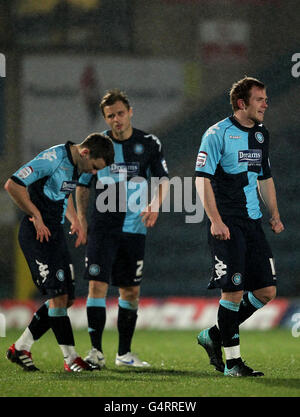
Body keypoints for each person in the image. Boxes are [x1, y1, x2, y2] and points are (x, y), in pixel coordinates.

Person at [195, 77, 284, 377]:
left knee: (266, 291)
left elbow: (264, 176)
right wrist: (216, 220)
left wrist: (274, 213)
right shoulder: (217, 134)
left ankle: (214, 336)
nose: (265, 103)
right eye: (260, 99)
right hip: (227, 224)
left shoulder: (261, 134)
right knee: (232, 291)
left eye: (266, 98)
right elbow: (201, 178)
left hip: (252, 223)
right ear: (241, 103)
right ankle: (232, 363)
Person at [5, 133, 114, 372]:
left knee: (67, 298)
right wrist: (36, 216)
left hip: (54, 233)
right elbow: (13, 185)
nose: (94, 173)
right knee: (56, 297)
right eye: (95, 167)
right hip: (37, 234)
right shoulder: (52, 158)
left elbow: (63, 195)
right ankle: (70, 359)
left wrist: (73, 218)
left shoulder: (77, 166)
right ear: (85, 153)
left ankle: (21, 348)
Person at [76, 89, 169, 369]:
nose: (116, 120)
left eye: (119, 113)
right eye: (109, 116)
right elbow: (82, 184)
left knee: (129, 292)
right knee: (96, 286)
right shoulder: (97, 145)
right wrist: (81, 219)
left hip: (134, 228)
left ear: (130, 112)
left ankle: (124, 354)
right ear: (105, 119)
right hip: (103, 227)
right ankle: (95, 352)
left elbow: (163, 179)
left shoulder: (149, 143)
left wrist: (155, 204)